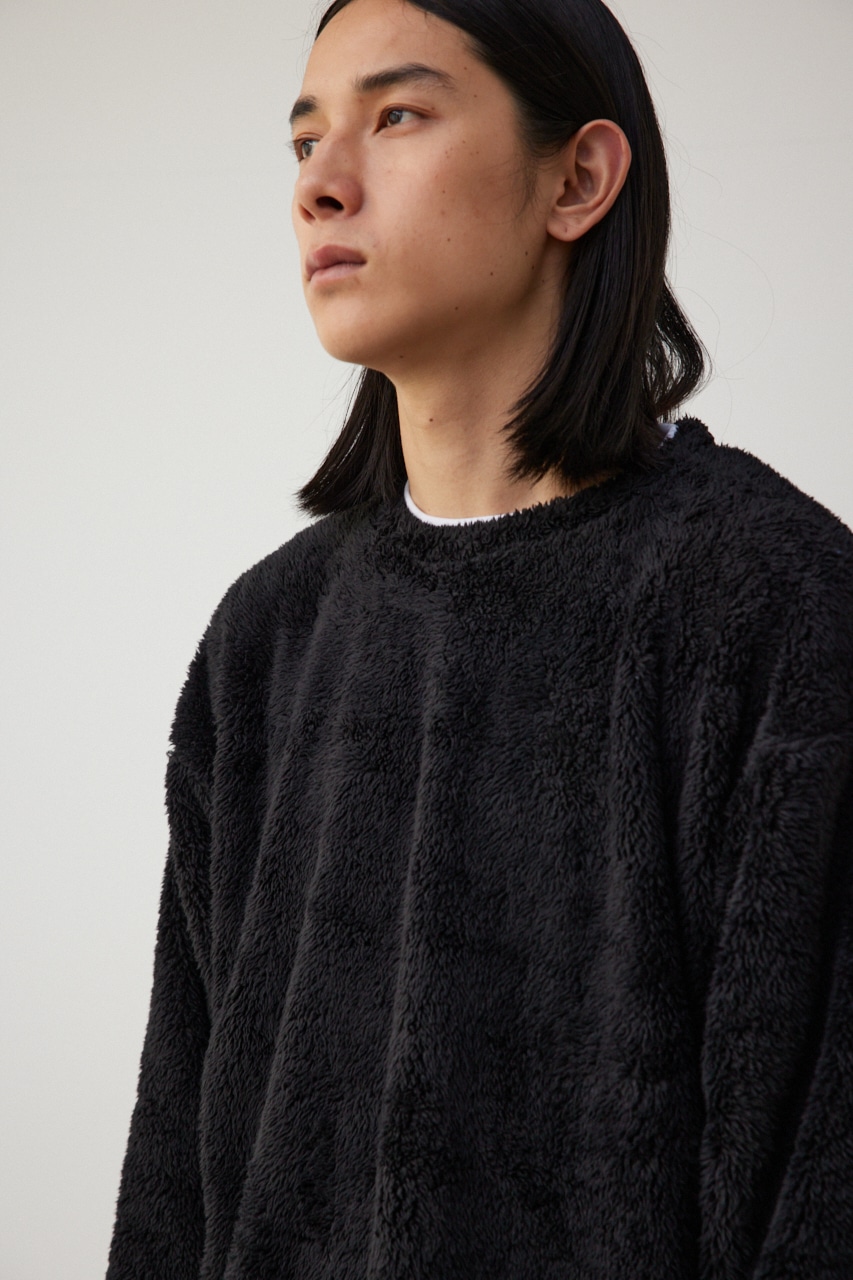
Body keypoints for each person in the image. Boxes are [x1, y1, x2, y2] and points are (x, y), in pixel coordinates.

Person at [105, 0, 853, 1275]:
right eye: (304, 141)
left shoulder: (773, 603)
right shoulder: (267, 640)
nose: (320, 185)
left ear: (578, 179)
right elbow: (176, 1170)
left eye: (396, 115)